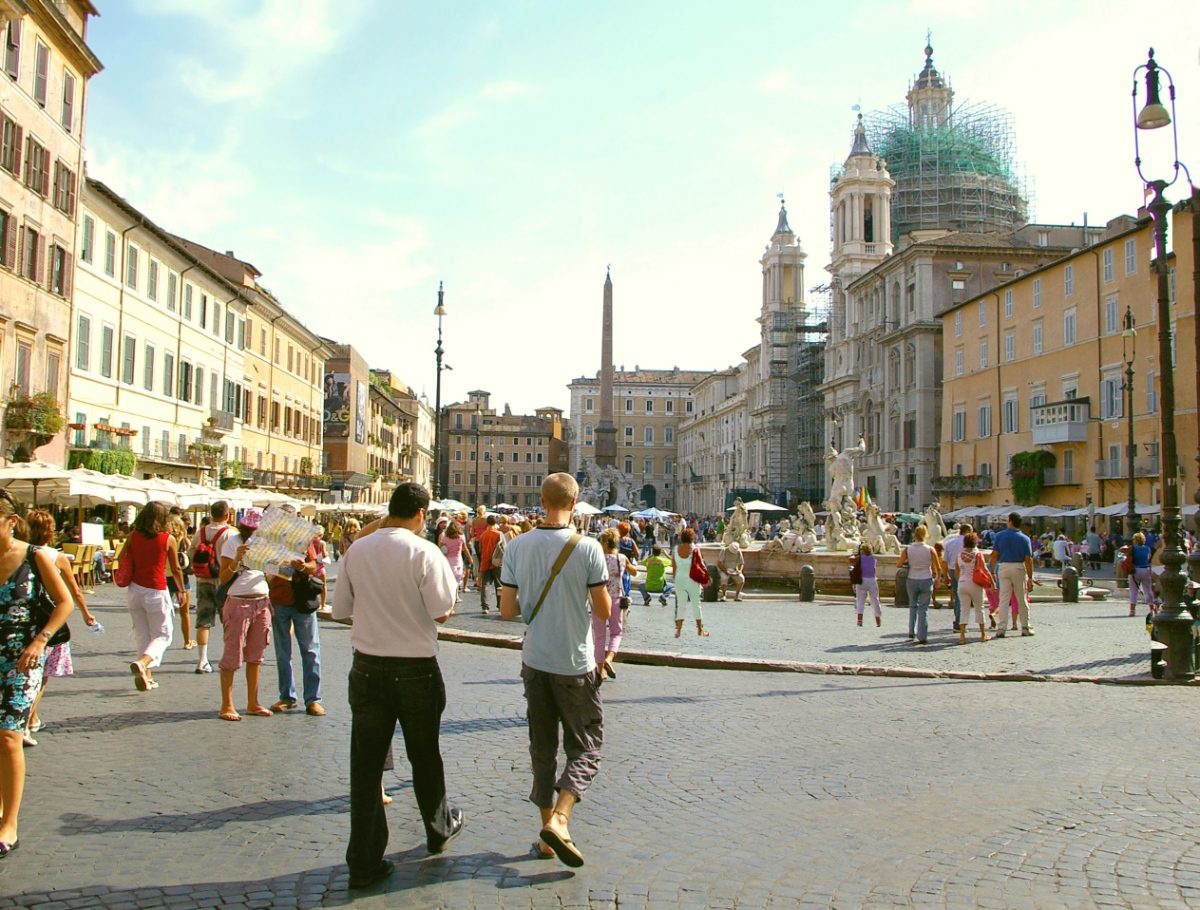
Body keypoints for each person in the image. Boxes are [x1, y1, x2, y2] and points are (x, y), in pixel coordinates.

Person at [332, 482, 464, 888]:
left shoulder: (358, 550)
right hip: (416, 670)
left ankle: (364, 860)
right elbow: (442, 612)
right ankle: (438, 829)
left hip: (367, 668)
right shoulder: (425, 552)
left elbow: (340, 611)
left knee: (366, 765)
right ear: (422, 514)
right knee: (425, 755)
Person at [499, 473, 610, 867]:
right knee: (587, 745)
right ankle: (561, 819)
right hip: (574, 663)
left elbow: (508, 610)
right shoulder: (589, 547)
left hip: (535, 660)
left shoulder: (516, 545)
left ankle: (547, 835)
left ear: (540, 501)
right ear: (576, 500)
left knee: (542, 747)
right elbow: (603, 610)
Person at [0, 489, 72, 856]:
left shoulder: (35, 556)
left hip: (22, 659)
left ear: (11, 522)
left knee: (9, 735)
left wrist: (41, 641)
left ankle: (9, 823)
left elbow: (65, 602)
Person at [20, 511, 99, 747]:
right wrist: (86, 614)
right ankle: (25, 723)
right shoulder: (56, 556)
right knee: (41, 676)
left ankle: (32, 718)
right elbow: (74, 592)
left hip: (25, 619)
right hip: (50, 621)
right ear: (51, 531)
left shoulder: (18, 553)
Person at [120, 501, 187, 691]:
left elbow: (121, 558)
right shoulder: (167, 539)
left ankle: (147, 676)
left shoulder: (133, 536)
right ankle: (143, 663)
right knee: (163, 635)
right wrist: (181, 590)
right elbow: (175, 568)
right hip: (156, 589)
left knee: (143, 634)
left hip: (134, 590)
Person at [217, 508, 273, 721]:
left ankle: (253, 702)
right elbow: (223, 578)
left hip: (262, 603)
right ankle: (227, 704)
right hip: (239, 602)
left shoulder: (266, 545)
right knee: (232, 653)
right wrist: (236, 560)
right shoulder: (233, 542)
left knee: (256, 656)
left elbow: (271, 574)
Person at [267, 523, 325, 717]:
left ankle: (313, 699)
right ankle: (287, 696)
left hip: (302, 600)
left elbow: (314, 565)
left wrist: (302, 566)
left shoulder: (303, 541)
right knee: (283, 652)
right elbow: (263, 566)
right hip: (279, 600)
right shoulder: (270, 542)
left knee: (310, 651)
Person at [188, 501, 234, 674]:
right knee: (228, 622)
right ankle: (228, 657)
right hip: (224, 581)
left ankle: (202, 660)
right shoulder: (230, 534)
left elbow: (191, 552)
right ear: (227, 515)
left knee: (203, 621)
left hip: (203, 580)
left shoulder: (201, 531)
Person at [595, 529, 634, 681]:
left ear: (603, 542)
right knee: (616, 632)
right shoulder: (621, 558)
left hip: (599, 598)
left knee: (599, 636)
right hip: (616, 598)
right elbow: (635, 572)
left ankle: (600, 671)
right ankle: (609, 658)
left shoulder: (598, 558)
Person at [988, 512, 1035, 637]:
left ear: (1010, 521)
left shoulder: (999, 536)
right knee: (1021, 598)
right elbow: (1028, 559)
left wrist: (991, 571)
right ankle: (1025, 627)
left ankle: (1001, 628)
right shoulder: (1025, 538)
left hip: (1003, 567)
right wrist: (1030, 577)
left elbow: (994, 555)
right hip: (1018, 567)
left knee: (1003, 599)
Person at [896, 524, 942, 645]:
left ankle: (911, 632)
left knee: (912, 606)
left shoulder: (908, 549)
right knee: (923, 609)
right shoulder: (930, 549)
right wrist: (937, 579)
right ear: (926, 535)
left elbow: (899, 564)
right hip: (926, 579)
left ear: (914, 535)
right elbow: (938, 567)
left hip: (912, 578)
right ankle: (922, 636)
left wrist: (908, 562)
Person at [670, 528, 709, 639]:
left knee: (681, 605)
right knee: (696, 604)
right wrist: (706, 576)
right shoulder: (695, 549)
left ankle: (678, 631)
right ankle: (700, 629)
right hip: (692, 579)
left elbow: (674, 567)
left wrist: (675, 578)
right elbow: (702, 564)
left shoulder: (676, 549)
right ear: (692, 537)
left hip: (679, 579)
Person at [955, 532, 991, 644]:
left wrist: (960, 580)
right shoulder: (978, 555)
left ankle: (962, 636)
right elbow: (984, 569)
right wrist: (992, 582)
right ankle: (983, 634)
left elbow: (957, 571)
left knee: (963, 609)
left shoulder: (959, 555)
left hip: (962, 583)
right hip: (975, 584)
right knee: (979, 608)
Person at [166, 513, 195, 650]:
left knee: (164, 611)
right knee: (185, 613)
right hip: (181, 577)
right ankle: (187, 640)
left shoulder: (164, 539)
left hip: (165, 576)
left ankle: (162, 639)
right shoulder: (183, 541)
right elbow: (190, 556)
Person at [942, 524, 967, 632]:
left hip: (952, 570)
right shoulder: (968, 542)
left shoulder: (949, 542)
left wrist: (945, 575)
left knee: (957, 597)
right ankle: (959, 622)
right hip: (965, 571)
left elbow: (944, 561)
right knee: (964, 597)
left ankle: (958, 621)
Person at [477, 514, 502, 614]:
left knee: (486, 585)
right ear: (495, 522)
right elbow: (504, 548)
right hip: (496, 562)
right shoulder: (498, 534)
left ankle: (485, 607)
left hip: (485, 561)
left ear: (487, 523)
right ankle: (500, 605)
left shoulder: (483, 535)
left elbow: (480, 549)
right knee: (498, 584)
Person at [852, 542, 881, 627]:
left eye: (861, 550)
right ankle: (878, 620)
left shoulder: (859, 558)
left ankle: (859, 621)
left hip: (861, 580)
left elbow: (856, 570)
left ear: (863, 550)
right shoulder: (873, 558)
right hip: (872, 580)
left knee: (860, 601)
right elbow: (874, 570)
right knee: (875, 600)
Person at [1126, 531, 1154, 617]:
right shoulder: (1147, 548)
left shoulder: (1133, 548)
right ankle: (1152, 609)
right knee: (1148, 590)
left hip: (1135, 570)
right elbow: (1148, 558)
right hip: (1146, 569)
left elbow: (1125, 553)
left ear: (1136, 540)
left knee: (1133, 591)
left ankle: (1132, 610)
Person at [440, 521, 469, 604]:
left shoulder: (445, 538)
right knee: (457, 578)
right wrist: (469, 558)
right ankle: (456, 596)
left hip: (447, 560)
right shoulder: (461, 537)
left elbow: (440, 547)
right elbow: (465, 549)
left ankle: (449, 595)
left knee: (448, 579)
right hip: (457, 560)